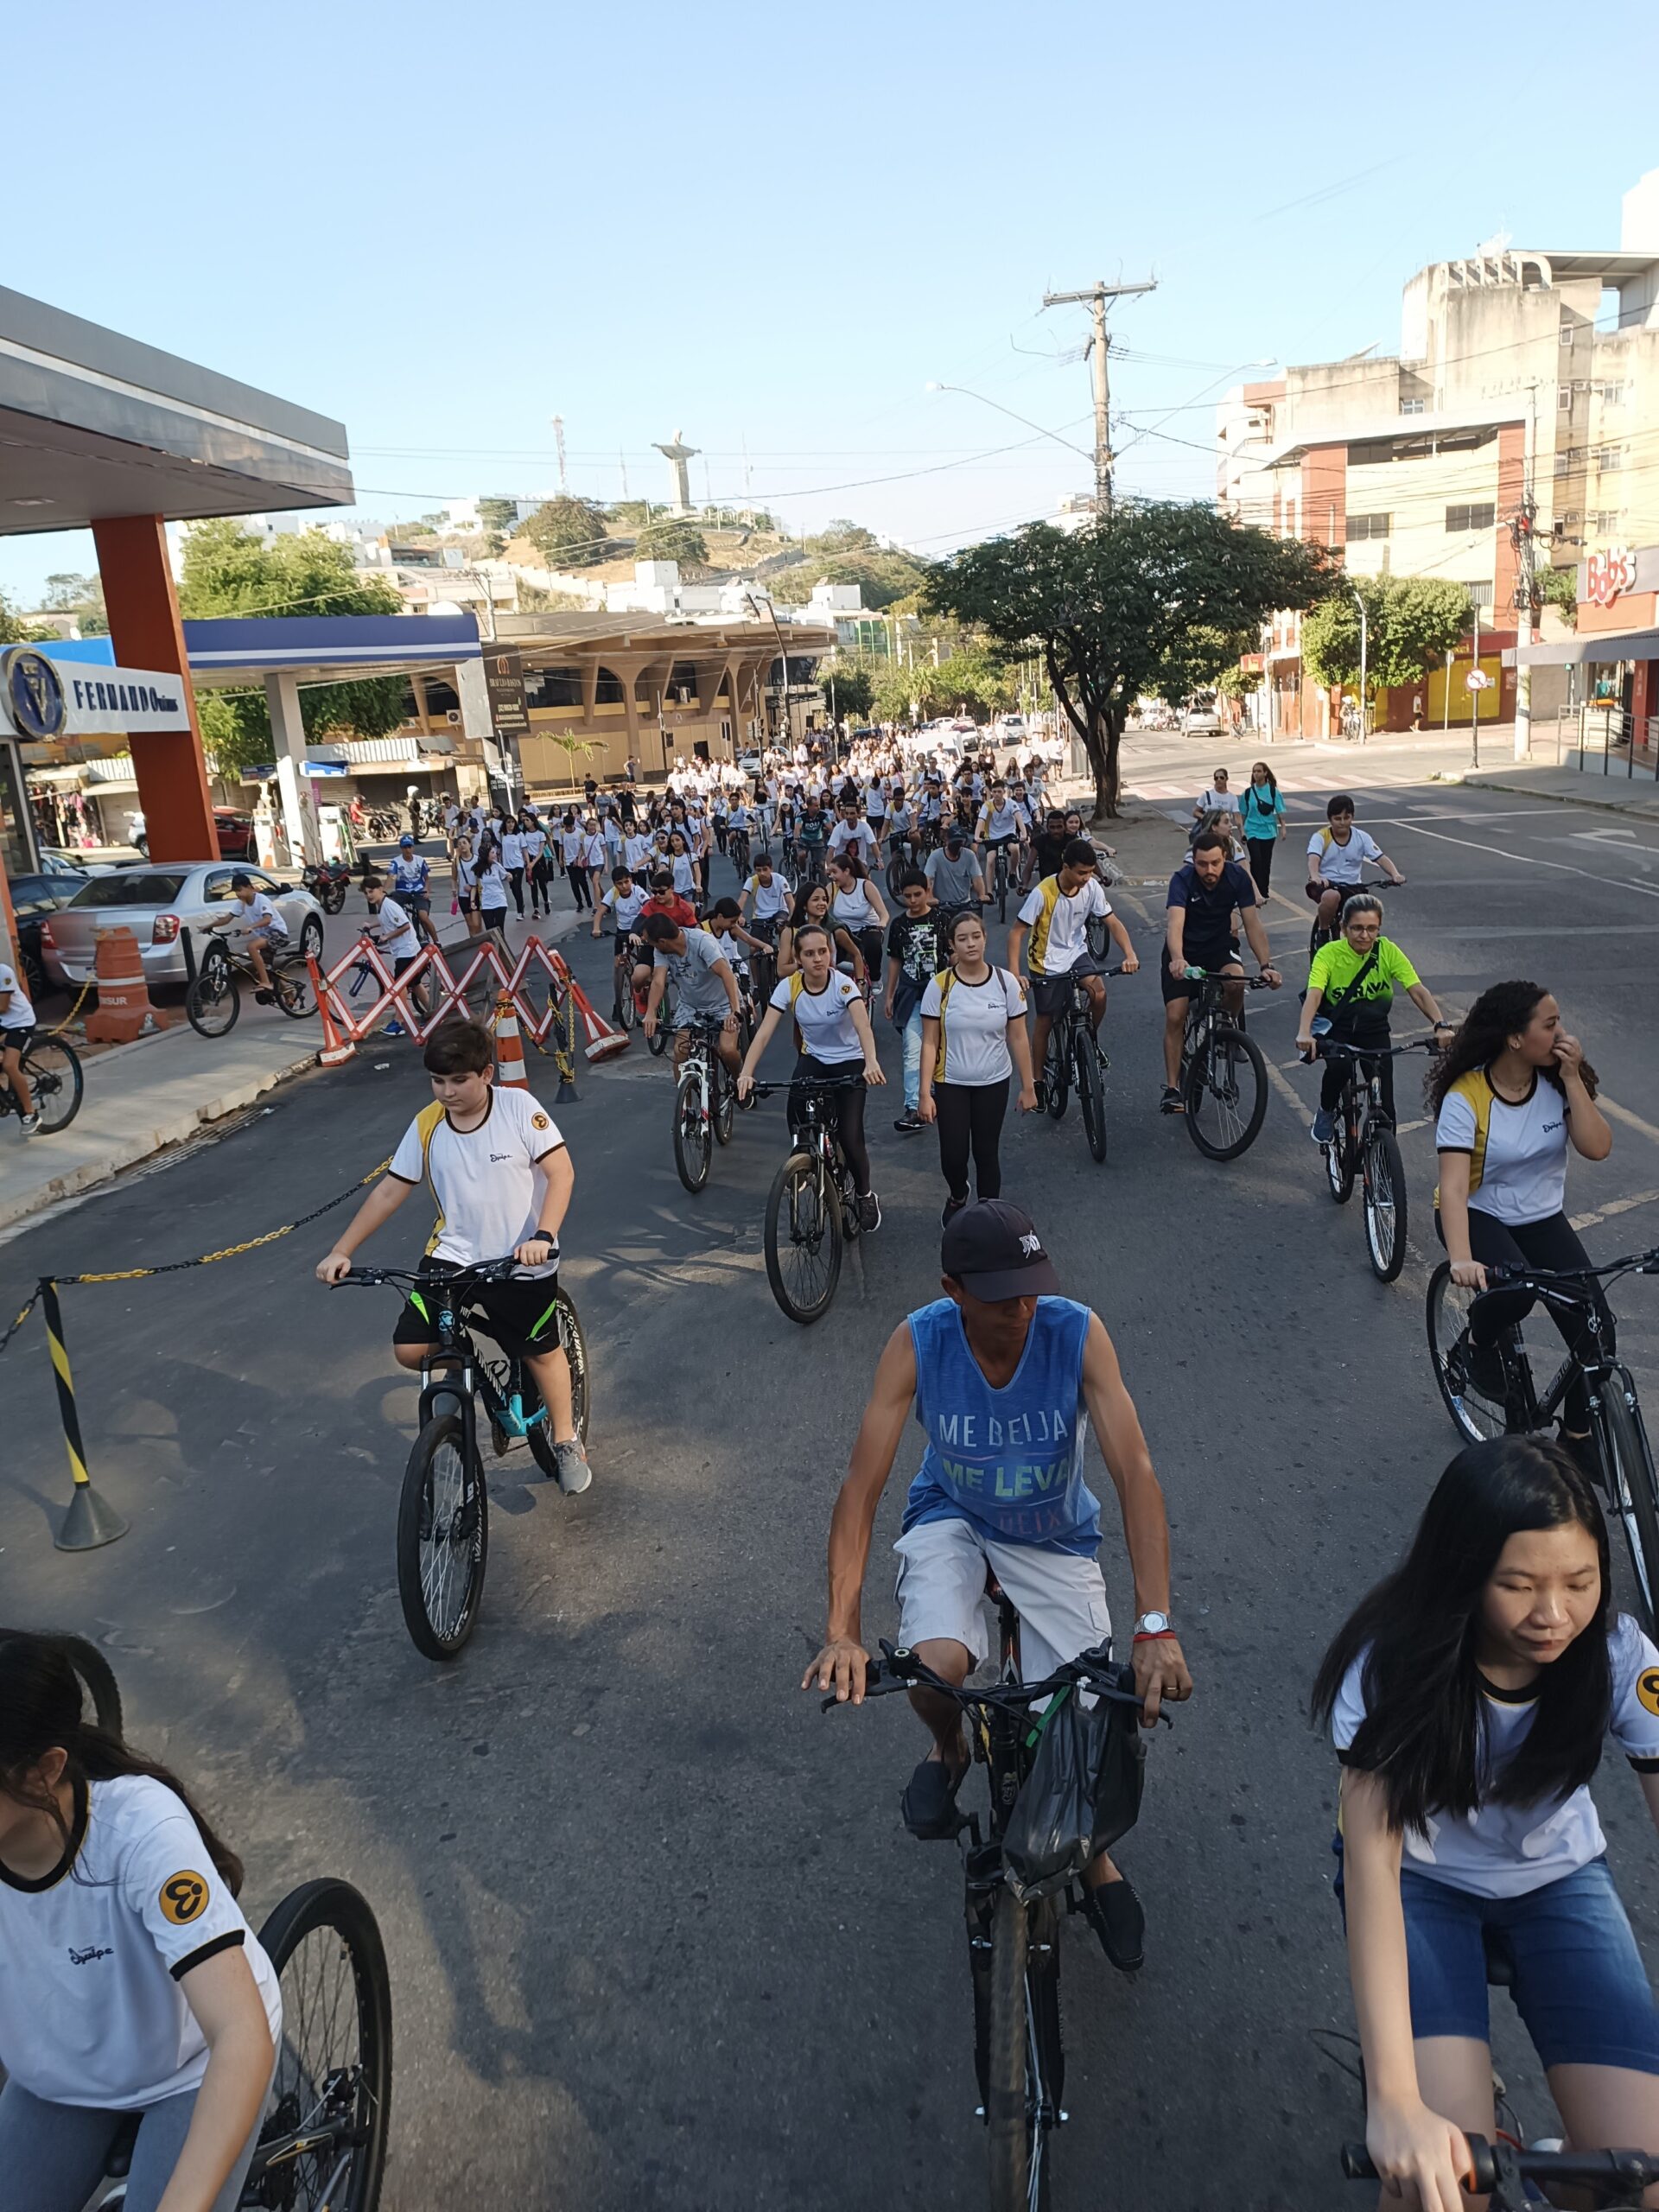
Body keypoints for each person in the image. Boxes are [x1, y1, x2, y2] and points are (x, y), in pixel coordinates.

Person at [803, 1201, 1192, 1970]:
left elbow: (1135, 1470)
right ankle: (950, 1750)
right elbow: (860, 1487)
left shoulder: (1076, 1332)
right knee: (933, 1668)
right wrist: (841, 1630)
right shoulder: (917, 1343)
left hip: (1052, 1537)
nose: (1022, 1307)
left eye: (1032, 1288)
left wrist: (1155, 1623)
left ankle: (1094, 1857)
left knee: (1083, 1719)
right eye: (1001, 1294)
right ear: (954, 1291)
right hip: (952, 1516)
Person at [1313, 1437, 1659, 2212]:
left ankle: (1553, 2170)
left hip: (1558, 1878)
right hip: (1421, 1880)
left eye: (1580, 1583)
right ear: (1462, 1572)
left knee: (1641, 2171)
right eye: (1518, 1585)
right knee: (1443, 2184)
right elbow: (1372, 1866)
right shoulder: (1390, 1665)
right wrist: (1394, 2102)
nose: (1554, 1614)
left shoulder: (1619, 1655)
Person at [0, 1630, 283, 2212]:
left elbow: (240, 2034)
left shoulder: (141, 1835)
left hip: (190, 2068)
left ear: (43, 1772)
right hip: (60, 2076)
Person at [317, 1017, 588, 1491]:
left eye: (459, 1080)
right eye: (437, 1081)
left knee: (541, 1353)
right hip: (453, 1257)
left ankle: (566, 1440)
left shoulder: (518, 1108)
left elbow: (561, 1173)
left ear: (486, 1074)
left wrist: (544, 1236)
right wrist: (342, 1250)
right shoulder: (427, 1123)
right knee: (410, 1349)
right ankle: (476, 1368)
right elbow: (390, 1190)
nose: (447, 1092)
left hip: (520, 1260)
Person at [1432, 981, 1614, 1457]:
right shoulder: (1467, 1096)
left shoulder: (1555, 1083)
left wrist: (1573, 1079)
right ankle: (1476, 1343)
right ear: (1515, 1038)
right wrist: (1461, 1259)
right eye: (1550, 1025)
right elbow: (1453, 1188)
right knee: (1515, 1293)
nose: (1562, 1034)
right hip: (1478, 1214)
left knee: (1597, 1331)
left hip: (1541, 1219)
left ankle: (1576, 1437)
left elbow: (1597, 1148)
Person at [736, 919, 886, 1230]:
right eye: (809, 954)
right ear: (798, 959)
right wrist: (746, 1073)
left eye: (823, 951)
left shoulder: (843, 984)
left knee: (851, 1135)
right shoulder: (789, 986)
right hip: (814, 1058)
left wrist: (871, 1061)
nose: (818, 959)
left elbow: (863, 1026)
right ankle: (803, 1158)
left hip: (850, 1061)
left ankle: (864, 1194)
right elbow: (763, 1034)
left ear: (830, 953)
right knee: (795, 1106)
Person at [1296, 893, 1453, 1144]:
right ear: (1343, 928)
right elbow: (1315, 995)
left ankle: (1383, 1160)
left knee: (1386, 1108)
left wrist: (1440, 1024)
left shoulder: (1387, 951)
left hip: (1374, 1029)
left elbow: (1417, 990)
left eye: (1372, 929)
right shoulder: (1329, 954)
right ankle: (1326, 1111)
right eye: (1357, 928)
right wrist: (1305, 1032)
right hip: (1339, 1029)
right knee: (1340, 1069)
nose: (1365, 935)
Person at [918, 909, 1036, 1223]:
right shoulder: (940, 986)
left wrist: (1029, 1087)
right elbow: (929, 1042)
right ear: (952, 945)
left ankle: (989, 1215)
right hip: (951, 1082)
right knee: (953, 1155)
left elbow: (1019, 1037)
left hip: (994, 1081)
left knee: (986, 1152)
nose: (970, 944)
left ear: (985, 939)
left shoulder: (1006, 983)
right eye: (962, 939)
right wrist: (924, 1094)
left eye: (976, 936)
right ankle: (958, 1194)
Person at [1160, 828, 1281, 1114]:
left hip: (1218, 946)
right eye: (1202, 864)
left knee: (1236, 982)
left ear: (1224, 857)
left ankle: (1226, 1029)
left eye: (1215, 863)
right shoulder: (1182, 880)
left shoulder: (1237, 877)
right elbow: (1175, 925)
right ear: (1194, 861)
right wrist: (1178, 959)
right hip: (1185, 951)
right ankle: (1173, 1088)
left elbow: (1252, 924)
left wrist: (1266, 966)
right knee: (1176, 1015)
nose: (1209, 870)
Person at [1009, 838, 1138, 1100]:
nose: (1086, 878)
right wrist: (1014, 972)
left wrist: (1130, 954)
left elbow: (1112, 921)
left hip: (1076, 953)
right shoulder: (1043, 893)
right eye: (1081, 873)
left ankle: (1089, 1041)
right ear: (1065, 866)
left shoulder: (1091, 887)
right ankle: (1038, 1080)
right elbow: (1016, 933)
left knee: (1099, 995)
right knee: (1045, 1020)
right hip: (1046, 962)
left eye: (1090, 872)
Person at [641, 913, 744, 1082]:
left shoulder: (702, 941)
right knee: (680, 1051)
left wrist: (735, 1011)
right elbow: (658, 982)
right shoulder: (661, 951)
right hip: (691, 1005)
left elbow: (727, 974)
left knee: (727, 1050)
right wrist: (651, 1013)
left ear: (662, 941)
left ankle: (738, 1080)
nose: (650, 946)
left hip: (723, 1003)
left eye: (650, 942)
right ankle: (685, 1097)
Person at [884, 870, 944, 1135]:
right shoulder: (898, 925)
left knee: (943, 1048)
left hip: (941, 995)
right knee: (912, 1049)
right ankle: (913, 1107)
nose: (912, 901)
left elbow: (952, 955)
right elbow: (895, 960)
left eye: (917, 894)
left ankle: (939, 1095)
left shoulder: (942, 920)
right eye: (907, 896)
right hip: (911, 995)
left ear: (927, 891)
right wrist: (889, 995)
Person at [1306, 792, 1404, 940]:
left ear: (1352, 817)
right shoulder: (1320, 837)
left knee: (1367, 908)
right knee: (1332, 896)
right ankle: (1323, 932)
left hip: (1353, 886)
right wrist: (1315, 876)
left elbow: (1380, 858)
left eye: (1346, 818)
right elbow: (1313, 859)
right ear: (1330, 819)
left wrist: (1395, 874)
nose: (1342, 822)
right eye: (1337, 818)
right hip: (1326, 884)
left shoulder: (1362, 837)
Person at [361, 874, 424, 1039]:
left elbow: (405, 926)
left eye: (371, 891)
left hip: (406, 950)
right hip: (403, 950)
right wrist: (371, 925)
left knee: (399, 986)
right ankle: (435, 1012)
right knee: (415, 984)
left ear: (380, 889)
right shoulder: (382, 906)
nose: (369, 895)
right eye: (366, 893)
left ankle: (398, 1022)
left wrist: (386, 937)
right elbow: (386, 921)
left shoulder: (389, 906)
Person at [216, 874, 289, 998]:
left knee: (252, 947)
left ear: (249, 887)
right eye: (235, 892)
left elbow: (267, 920)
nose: (238, 894)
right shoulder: (241, 903)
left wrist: (251, 927)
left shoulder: (261, 899)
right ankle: (288, 992)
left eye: (240, 890)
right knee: (265, 969)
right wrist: (208, 927)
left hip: (278, 933)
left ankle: (266, 983)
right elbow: (227, 919)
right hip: (265, 936)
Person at [778, 881, 864, 983]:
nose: (822, 903)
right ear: (804, 905)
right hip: (798, 987)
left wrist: (860, 982)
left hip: (829, 985)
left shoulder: (835, 931)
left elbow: (856, 954)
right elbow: (781, 971)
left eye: (824, 899)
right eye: (815, 899)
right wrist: (806, 964)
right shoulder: (790, 932)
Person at [828, 853, 888, 991]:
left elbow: (883, 913)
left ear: (847, 871)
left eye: (835, 872)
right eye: (830, 872)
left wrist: (882, 923)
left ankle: (875, 978)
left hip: (868, 928)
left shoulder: (865, 886)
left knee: (873, 945)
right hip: (844, 930)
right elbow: (822, 910)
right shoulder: (832, 888)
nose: (831, 876)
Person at [0, 954, 38, 1132]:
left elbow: (3, 1007)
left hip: (20, 1022)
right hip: (3, 1022)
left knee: (9, 1065)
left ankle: (30, 1113)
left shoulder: (3, 972)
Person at [1239, 761, 1287, 899]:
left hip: (1268, 832)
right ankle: (1255, 890)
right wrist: (1242, 831)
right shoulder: (1248, 793)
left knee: (1266, 862)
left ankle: (1264, 890)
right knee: (1256, 859)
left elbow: (1280, 812)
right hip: (1252, 830)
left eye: (1259, 771)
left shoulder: (1273, 791)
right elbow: (1242, 814)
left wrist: (1283, 828)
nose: (1256, 774)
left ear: (1265, 773)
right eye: (1254, 771)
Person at [923, 824, 987, 920]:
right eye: (954, 842)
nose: (957, 845)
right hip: (942, 906)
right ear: (947, 841)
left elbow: (977, 879)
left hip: (964, 905)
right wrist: (930, 897)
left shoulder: (969, 856)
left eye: (960, 842)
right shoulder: (935, 856)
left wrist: (981, 895)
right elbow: (929, 880)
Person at [389, 835, 437, 945]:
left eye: (409, 847)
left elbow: (427, 879)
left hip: (419, 891)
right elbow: (390, 877)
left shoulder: (420, 860)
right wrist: (383, 891)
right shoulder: (395, 862)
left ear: (413, 847)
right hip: (402, 892)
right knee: (395, 910)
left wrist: (427, 890)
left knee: (423, 916)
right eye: (405, 847)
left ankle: (436, 941)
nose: (407, 850)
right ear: (401, 848)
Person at [1189, 767, 1240, 838]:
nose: (1219, 780)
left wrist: (1242, 833)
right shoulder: (1207, 795)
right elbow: (1195, 812)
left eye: (1221, 777)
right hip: (1208, 833)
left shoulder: (1232, 797)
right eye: (1216, 778)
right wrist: (1206, 818)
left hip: (1224, 833)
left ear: (1226, 779)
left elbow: (1237, 817)